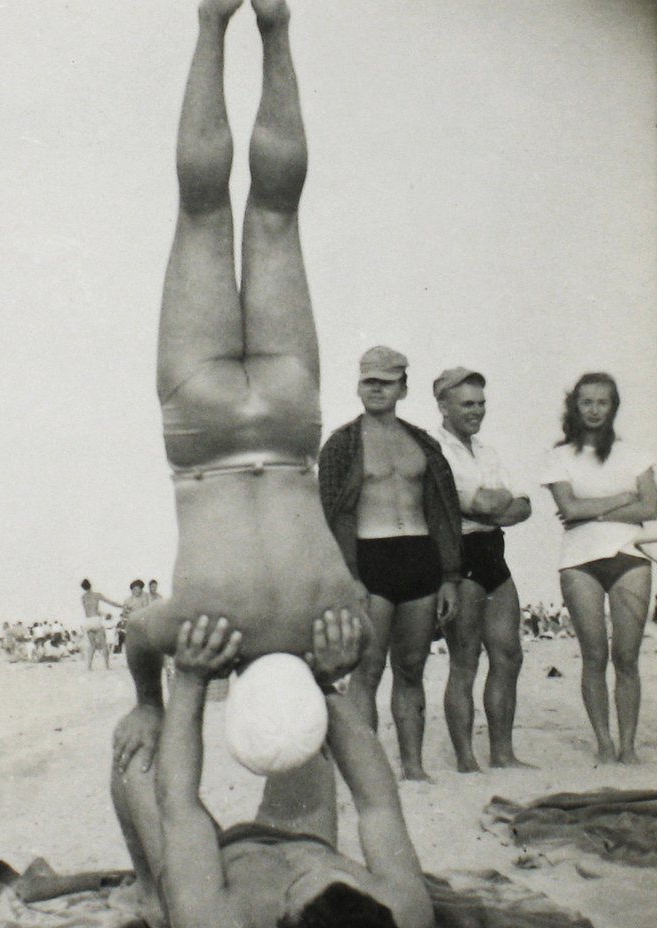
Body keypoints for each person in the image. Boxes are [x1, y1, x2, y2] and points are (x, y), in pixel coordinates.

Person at [115, 0, 367, 771]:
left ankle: (275, 27)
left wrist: (344, 663)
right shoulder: (202, 632)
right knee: (203, 212)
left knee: (275, 214)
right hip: (205, 435)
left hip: (289, 430)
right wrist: (154, 698)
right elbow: (134, 633)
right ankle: (215, 24)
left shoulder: (337, 624)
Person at [113, 606, 433, 928]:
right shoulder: (407, 917)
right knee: (305, 733)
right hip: (301, 832)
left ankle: (149, 891)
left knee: (137, 755)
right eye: (336, 875)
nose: (304, 868)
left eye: (301, 884)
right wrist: (324, 686)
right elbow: (377, 803)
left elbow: (180, 805)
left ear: (279, 926)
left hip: (217, 868)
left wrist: (190, 681)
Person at [317, 347, 463, 781]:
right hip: (369, 558)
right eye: (369, 381)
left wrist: (451, 576)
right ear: (359, 385)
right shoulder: (342, 443)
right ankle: (368, 773)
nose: (376, 389)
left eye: (385, 382)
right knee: (367, 670)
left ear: (403, 387)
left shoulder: (423, 443)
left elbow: (443, 511)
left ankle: (414, 768)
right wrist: (348, 576)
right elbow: (330, 513)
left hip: (420, 557)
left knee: (412, 668)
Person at [541, 373, 655, 764]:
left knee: (626, 658)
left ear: (613, 407)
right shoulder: (559, 456)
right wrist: (623, 500)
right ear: (575, 406)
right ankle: (604, 744)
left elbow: (652, 507)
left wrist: (595, 510)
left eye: (602, 402)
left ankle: (628, 746)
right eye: (586, 402)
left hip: (630, 556)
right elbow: (567, 508)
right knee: (593, 657)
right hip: (578, 561)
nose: (593, 409)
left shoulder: (635, 453)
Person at [432, 368, 534, 773]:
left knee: (509, 655)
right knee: (465, 659)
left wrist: (494, 505)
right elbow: (483, 504)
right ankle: (465, 759)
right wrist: (494, 504)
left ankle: (503, 753)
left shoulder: (486, 450)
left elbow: (522, 504)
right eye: (467, 404)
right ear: (443, 406)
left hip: (494, 551)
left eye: (481, 403)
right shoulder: (435, 449)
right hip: (460, 555)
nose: (477, 411)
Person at [80, 580, 123, 670]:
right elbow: (110, 602)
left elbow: (89, 611)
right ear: (91, 585)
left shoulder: (83, 597)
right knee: (104, 645)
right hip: (96, 620)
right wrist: (122, 606)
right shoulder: (97, 595)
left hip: (87, 621)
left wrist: (103, 614)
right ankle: (107, 666)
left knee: (92, 645)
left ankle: (89, 666)